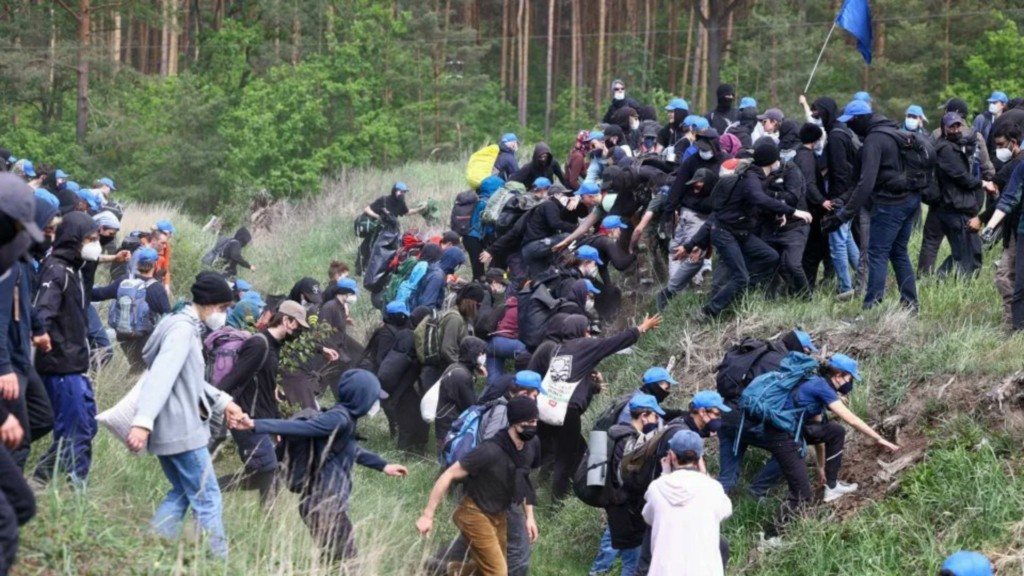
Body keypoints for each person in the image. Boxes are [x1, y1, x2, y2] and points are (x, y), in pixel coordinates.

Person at [126, 271, 247, 559]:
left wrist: (224, 402)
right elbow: (163, 375)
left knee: (182, 492)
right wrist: (142, 422)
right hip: (181, 428)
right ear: (210, 304)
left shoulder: (177, 322)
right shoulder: (182, 330)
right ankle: (218, 563)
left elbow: (189, 379)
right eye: (223, 308)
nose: (224, 314)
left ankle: (151, 550)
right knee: (209, 499)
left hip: (171, 426)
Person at [233, 369, 409, 562]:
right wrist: (255, 425)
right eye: (373, 397)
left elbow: (351, 449)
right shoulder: (338, 419)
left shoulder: (345, 419)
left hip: (323, 505)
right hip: (324, 506)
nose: (375, 402)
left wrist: (383, 466)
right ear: (362, 397)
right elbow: (303, 428)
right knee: (349, 563)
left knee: (332, 561)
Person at [753, 353, 898, 537]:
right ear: (838, 375)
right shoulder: (821, 387)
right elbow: (852, 420)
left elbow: (819, 432)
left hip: (790, 433)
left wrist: (822, 468)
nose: (850, 383)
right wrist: (880, 439)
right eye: (850, 378)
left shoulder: (817, 384)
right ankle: (770, 537)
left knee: (836, 430)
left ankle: (832, 485)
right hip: (783, 438)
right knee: (802, 493)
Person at [530, 313, 663, 500]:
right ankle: (557, 501)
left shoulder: (560, 349)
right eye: (587, 329)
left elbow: (572, 376)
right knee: (565, 459)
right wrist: (641, 328)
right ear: (580, 330)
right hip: (567, 411)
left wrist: (593, 384)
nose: (589, 333)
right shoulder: (584, 345)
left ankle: (578, 487)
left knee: (577, 450)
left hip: (546, 409)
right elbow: (612, 343)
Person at [417, 396, 541, 576]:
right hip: (473, 513)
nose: (533, 427)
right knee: (498, 573)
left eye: (536, 421)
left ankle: (442, 569)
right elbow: (449, 474)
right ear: (514, 422)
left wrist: (530, 517)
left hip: (498, 515)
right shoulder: (489, 450)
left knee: (486, 570)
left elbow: (524, 479)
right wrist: (427, 516)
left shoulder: (532, 445)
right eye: (528, 422)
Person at [690, 139, 812, 320]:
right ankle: (709, 311)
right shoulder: (752, 178)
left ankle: (741, 291)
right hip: (726, 233)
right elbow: (758, 198)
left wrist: (778, 212)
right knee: (740, 276)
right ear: (772, 161)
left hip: (740, 233)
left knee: (771, 257)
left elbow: (760, 202)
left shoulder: (756, 176)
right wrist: (792, 211)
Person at [31, 211, 101, 487]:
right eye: (90, 239)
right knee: (75, 431)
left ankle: (41, 476)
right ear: (74, 239)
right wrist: (42, 334)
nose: (95, 244)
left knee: (87, 427)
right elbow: (42, 310)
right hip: (59, 364)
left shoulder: (74, 269)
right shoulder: (56, 270)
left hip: (75, 363)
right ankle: (75, 492)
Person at [218, 300, 308, 505]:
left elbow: (267, 390)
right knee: (268, 469)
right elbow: (232, 380)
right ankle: (211, 489)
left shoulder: (273, 347)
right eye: (298, 326)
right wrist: (224, 408)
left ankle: (211, 489)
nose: (299, 331)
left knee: (267, 474)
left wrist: (275, 423)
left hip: (261, 421)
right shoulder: (259, 344)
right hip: (246, 419)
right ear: (287, 320)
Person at [836, 100, 921, 310]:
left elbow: (866, 183)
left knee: (877, 253)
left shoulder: (875, 140)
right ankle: (910, 303)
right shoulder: (893, 131)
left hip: (891, 204)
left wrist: (845, 213)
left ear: (861, 119)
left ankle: (871, 305)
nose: (849, 127)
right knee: (899, 251)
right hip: (911, 199)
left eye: (851, 122)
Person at [591, 394, 665, 576]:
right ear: (644, 416)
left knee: (630, 560)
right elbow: (628, 478)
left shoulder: (615, 433)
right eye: (655, 416)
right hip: (627, 509)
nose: (656, 420)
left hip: (616, 506)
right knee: (633, 565)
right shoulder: (629, 441)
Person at [641, 430, 732, 576]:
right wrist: (704, 473)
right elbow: (726, 510)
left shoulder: (656, 488)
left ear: (672, 456)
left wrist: (665, 474)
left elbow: (649, 518)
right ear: (699, 458)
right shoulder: (712, 488)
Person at [91, 247, 171, 372]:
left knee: (135, 365)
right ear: (155, 264)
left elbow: (100, 294)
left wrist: (80, 291)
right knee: (141, 368)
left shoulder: (124, 280)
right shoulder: (157, 288)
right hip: (143, 336)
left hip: (122, 333)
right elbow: (168, 316)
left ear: (138, 263)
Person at [813, 96, 861, 299]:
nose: (816, 116)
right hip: (848, 194)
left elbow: (840, 172)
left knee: (837, 242)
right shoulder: (841, 130)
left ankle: (845, 288)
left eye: (818, 112)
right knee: (847, 239)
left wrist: (836, 199)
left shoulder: (835, 136)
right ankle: (863, 280)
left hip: (840, 196)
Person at [925, 112, 983, 278]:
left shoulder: (953, 146)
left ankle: (938, 279)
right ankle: (942, 280)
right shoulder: (946, 149)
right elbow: (962, 177)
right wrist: (982, 183)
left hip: (953, 204)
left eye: (958, 126)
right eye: (952, 126)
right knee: (965, 254)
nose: (956, 130)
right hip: (955, 206)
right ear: (944, 128)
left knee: (967, 251)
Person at [978, 124, 1024, 327]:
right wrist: (989, 227)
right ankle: (1015, 329)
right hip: (1019, 231)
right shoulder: (1020, 166)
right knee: (1018, 285)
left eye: (1001, 144)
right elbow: (1008, 199)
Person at [357, 182, 425, 274]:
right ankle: (362, 270)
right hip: (377, 231)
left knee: (386, 252)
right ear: (395, 191)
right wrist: (378, 217)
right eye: (401, 192)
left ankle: (379, 271)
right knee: (368, 249)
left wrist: (419, 210)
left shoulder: (401, 203)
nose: (403, 194)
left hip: (390, 232)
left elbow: (406, 212)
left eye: (404, 192)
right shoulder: (383, 200)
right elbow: (367, 209)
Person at [434, 336, 488, 452]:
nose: (483, 356)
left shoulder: (454, 367)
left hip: (444, 425)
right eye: (481, 353)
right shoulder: (462, 376)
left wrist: (476, 367)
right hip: (451, 429)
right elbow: (471, 407)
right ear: (473, 354)